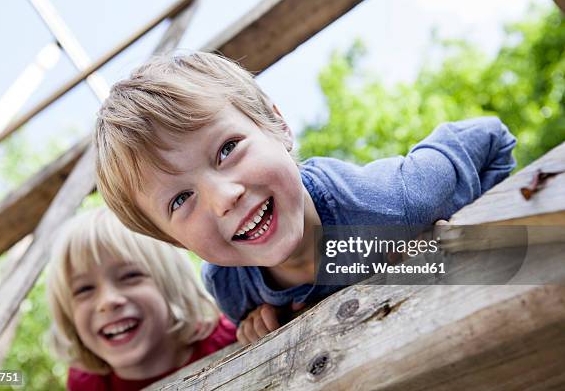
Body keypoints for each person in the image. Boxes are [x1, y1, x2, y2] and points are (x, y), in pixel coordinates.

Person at [93, 51, 517, 344]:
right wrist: (258, 325)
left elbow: (489, 138)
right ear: (176, 242)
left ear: (278, 126)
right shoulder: (232, 289)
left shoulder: (394, 202)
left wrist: (481, 215)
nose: (224, 197)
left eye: (227, 149)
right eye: (181, 199)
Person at [47, 207, 236, 390]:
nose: (107, 301)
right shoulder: (86, 384)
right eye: (84, 289)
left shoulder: (233, 336)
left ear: (172, 284)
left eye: (129, 276)